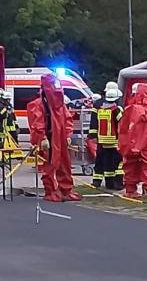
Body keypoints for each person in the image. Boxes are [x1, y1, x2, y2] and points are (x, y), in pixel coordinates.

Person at [28, 73, 81, 202]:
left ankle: (66, 190)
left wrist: (68, 134)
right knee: (50, 165)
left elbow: (67, 119)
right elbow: (37, 123)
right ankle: (50, 191)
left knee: (64, 164)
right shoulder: (39, 104)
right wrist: (42, 138)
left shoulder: (59, 105)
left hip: (60, 138)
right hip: (50, 139)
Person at [119, 83, 147, 199]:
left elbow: (122, 127)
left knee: (130, 166)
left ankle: (130, 190)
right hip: (146, 143)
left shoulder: (128, 108)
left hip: (130, 144)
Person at [88, 85, 123, 190]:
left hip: (102, 140)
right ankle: (116, 183)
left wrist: (93, 135)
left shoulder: (100, 107)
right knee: (117, 163)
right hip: (115, 140)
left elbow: (94, 122)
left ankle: (99, 182)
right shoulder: (116, 109)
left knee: (103, 161)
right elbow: (122, 123)